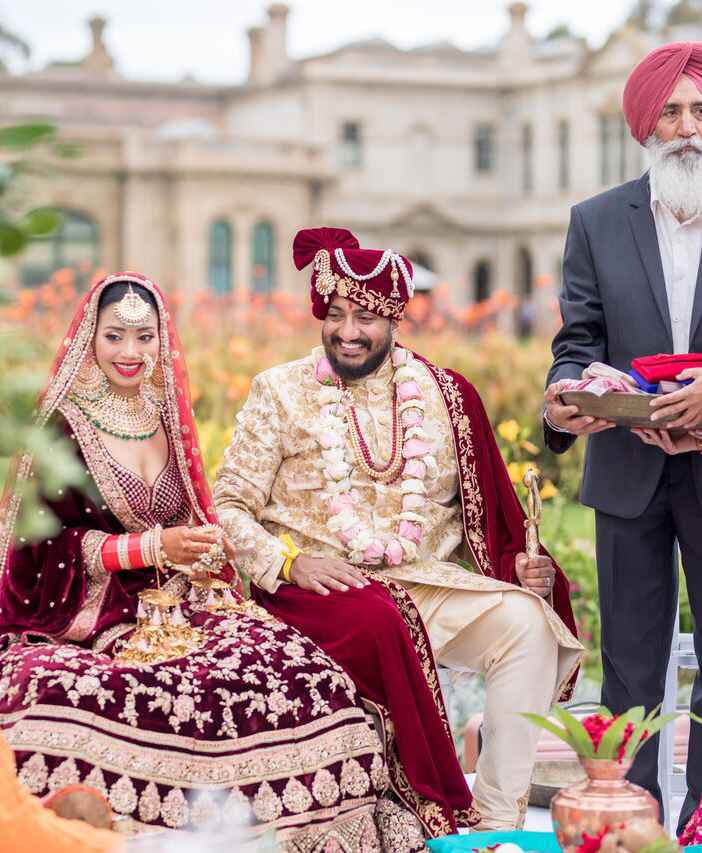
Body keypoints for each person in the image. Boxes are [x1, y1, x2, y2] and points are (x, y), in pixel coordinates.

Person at [0, 272, 392, 851]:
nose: (131, 353)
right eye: (115, 337)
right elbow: (35, 556)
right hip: (83, 616)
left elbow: (191, 516)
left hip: (178, 604)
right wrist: (151, 547)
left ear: (163, 341)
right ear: (90, 339)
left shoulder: (166, 415)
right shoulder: (65, 426)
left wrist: (202, 555)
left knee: (300, 672)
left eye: (144, 337)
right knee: (88, 694)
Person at [213, 227, 584, 834]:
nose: (347, 331)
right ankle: (435, 810)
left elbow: (486, 522)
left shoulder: (446, 396)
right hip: (318, 587)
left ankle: (497, 828)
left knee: (526, 625)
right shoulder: (279, 391)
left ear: (395, 320)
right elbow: (227, 505)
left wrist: (517, 567)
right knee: (381, 619)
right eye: (334, 314)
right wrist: (286, 563)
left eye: (365, 317)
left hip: (421, 581)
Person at [544, 42, 702, 834]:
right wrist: (567, 397)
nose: (686, 128)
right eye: (670, 112)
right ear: (644, 125)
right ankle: (631, 829)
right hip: (628, 468)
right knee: (632, 672)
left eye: (700, 111)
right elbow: (578, 344)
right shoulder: (596, 221)